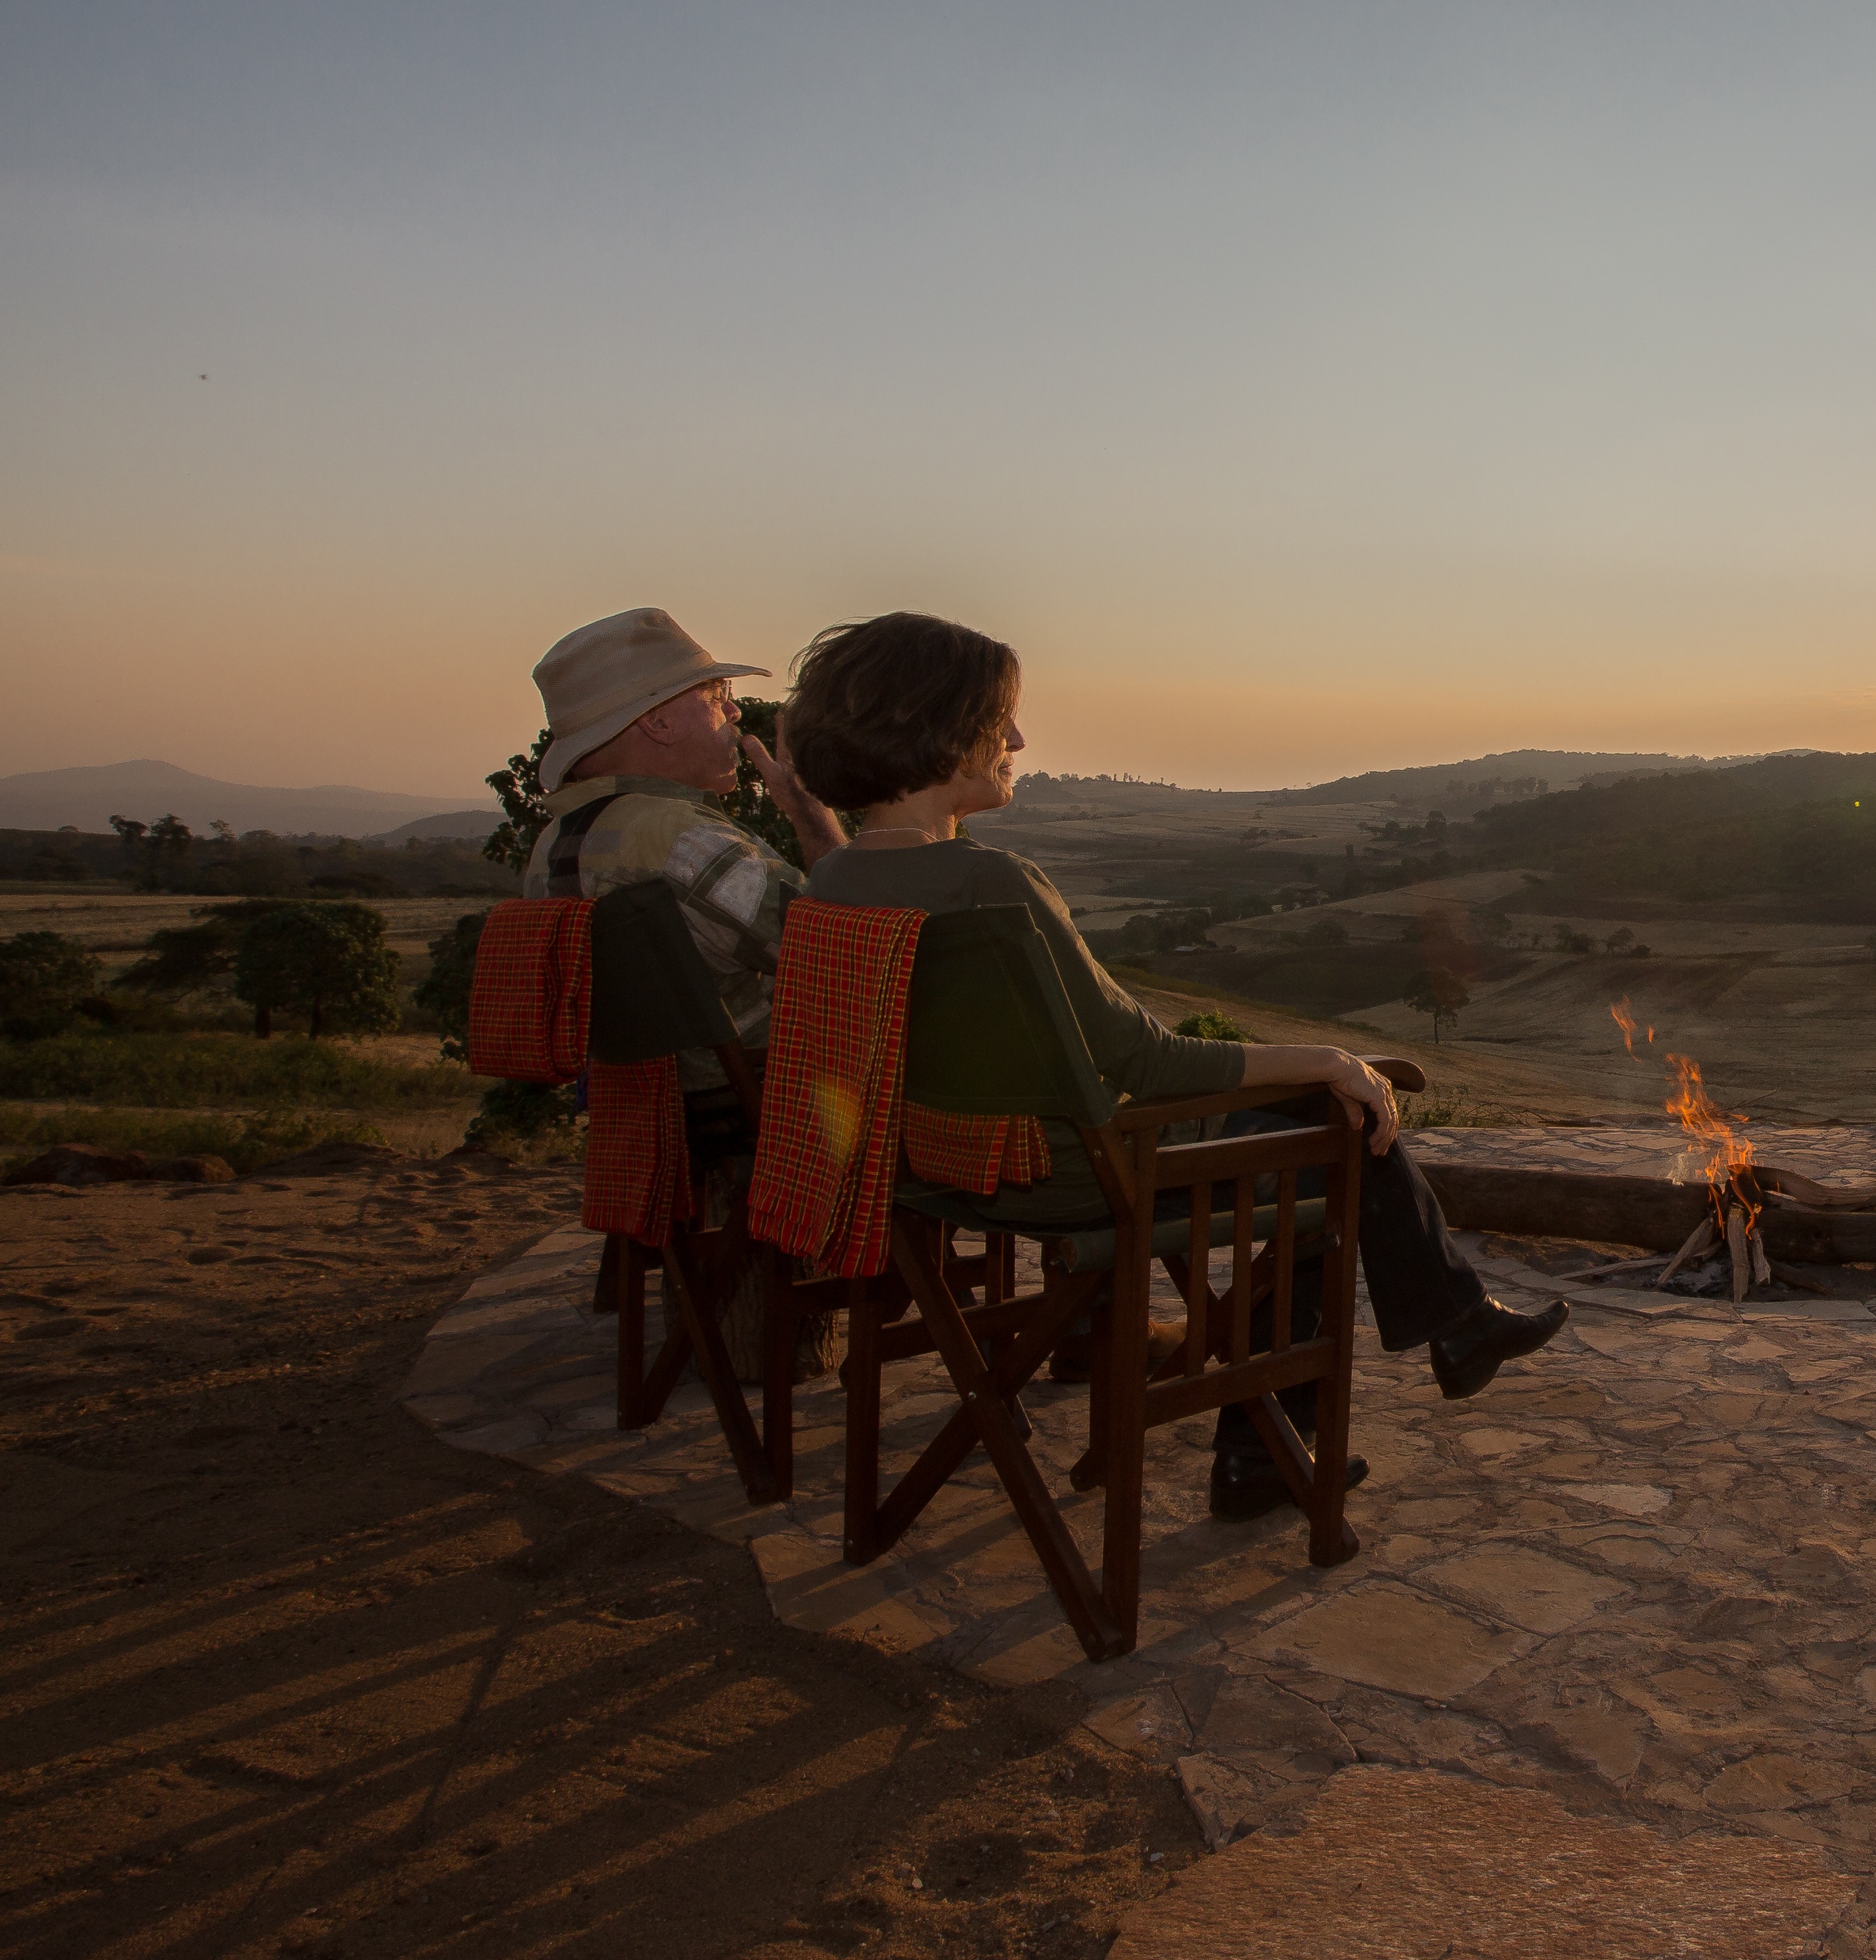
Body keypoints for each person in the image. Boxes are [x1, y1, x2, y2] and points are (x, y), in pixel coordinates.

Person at [779, 611, 1567, 1521]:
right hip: (1077, 1174)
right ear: (942, 728)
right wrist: (1334, 1059)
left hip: (939, 1170)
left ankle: (1391, 1370)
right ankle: (1306, 1420)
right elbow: (1145, 1063)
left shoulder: (832, 885)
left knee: (1316, 1132)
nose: (1020, 740)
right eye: (1002, 719)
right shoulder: (992, 887)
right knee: (1341, 1135)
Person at [522, 607, 850, 1174]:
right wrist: (814, 817)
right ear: (660, 724)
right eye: (718, 693)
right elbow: (845, 952)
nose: (735, 710)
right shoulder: (681, 839)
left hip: (645, 1111)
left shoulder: (552, 845)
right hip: (755, 1107)